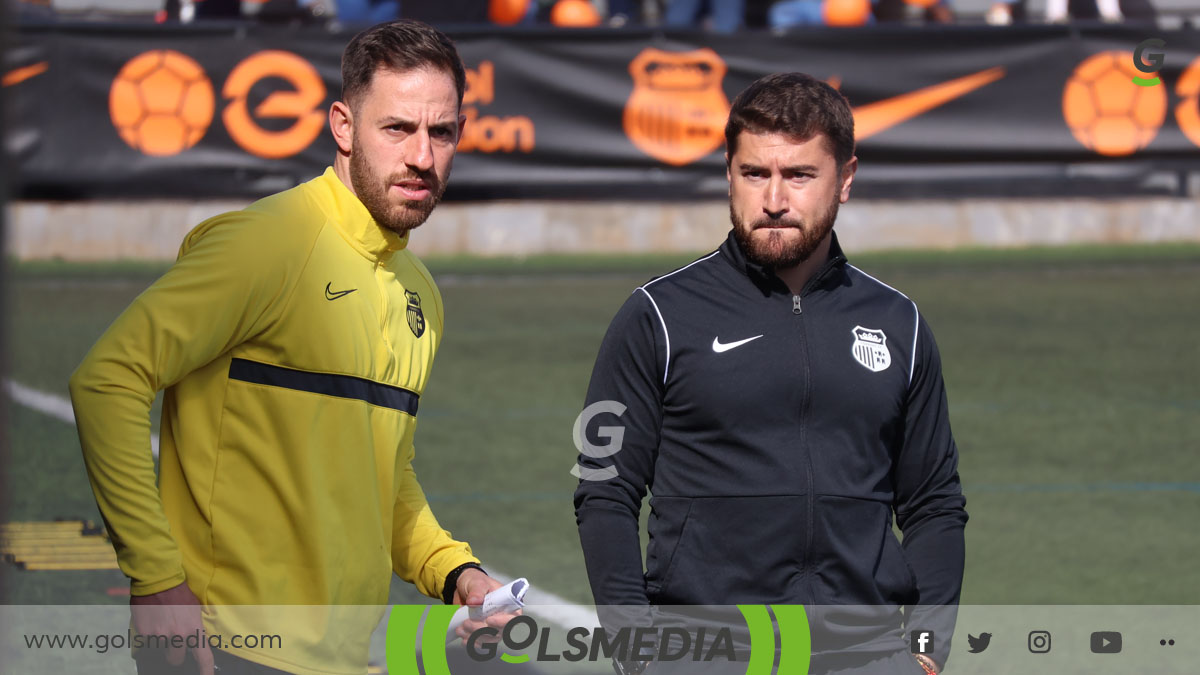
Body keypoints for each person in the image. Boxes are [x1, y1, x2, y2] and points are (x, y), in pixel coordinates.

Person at [70, 20, 512, 675]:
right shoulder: (266, 243)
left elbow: (385, 480)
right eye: (397, 128)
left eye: (440, 131)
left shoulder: (419, 294)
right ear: (342, 125)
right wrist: (158, 577)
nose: (422, 155)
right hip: (223, 647)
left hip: (338, 655)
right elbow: (107, 379)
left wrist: (456, 572)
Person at [573, 73, 967, 675]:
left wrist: (925, 651)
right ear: (728, 173)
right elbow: (604, 491)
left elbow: (934, 503)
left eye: (800, 175)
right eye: (754, 173)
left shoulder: (899, 324)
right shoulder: (656, 316)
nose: (775, 199)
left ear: (847, 179)